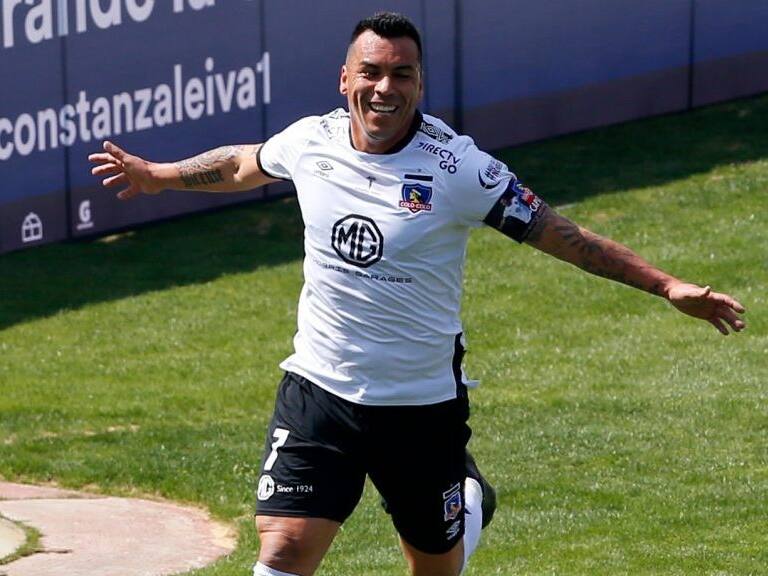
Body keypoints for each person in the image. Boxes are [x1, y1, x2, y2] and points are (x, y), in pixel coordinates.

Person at [88, 12, 746, 576]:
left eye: (402, 75)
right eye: (371, 72)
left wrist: (665, 285)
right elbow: (242, 163)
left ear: (420, 85)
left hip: (420, 408)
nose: (384, 87)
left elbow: (560, 234)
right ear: (345, 79)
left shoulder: (462, 170)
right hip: (319, 392)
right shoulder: (310, 142)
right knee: (283, 552)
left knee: (435, 568)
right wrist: (158, 176)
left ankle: (470, 500)